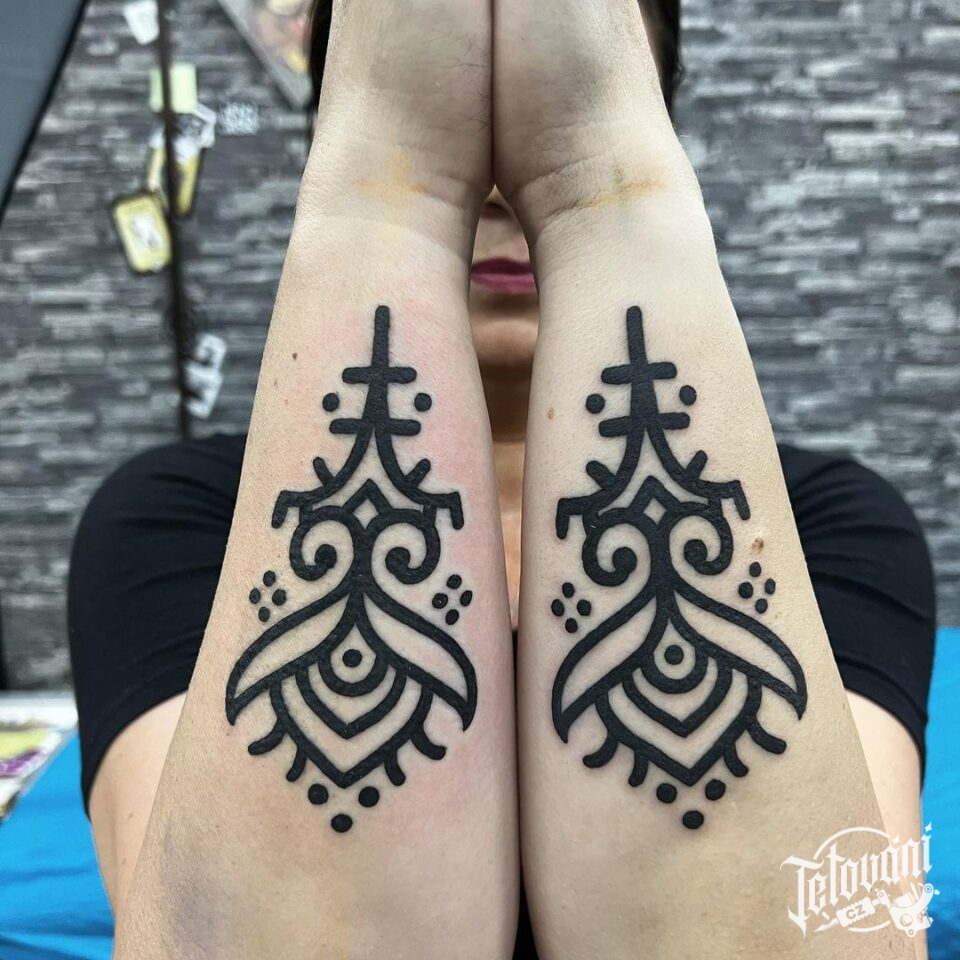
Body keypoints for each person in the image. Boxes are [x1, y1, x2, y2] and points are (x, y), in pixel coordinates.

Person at [68, 2, 936, 957]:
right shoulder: (176, 522)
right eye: (462, 126)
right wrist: (386, 194)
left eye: (534, 115)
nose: (494, 195)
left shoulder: (833, 527)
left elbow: (837, 925)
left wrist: (602, 189)